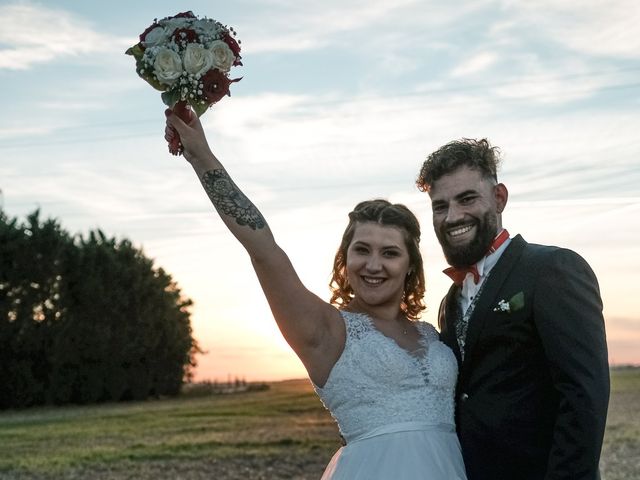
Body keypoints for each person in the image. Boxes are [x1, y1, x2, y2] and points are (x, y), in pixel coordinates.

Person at [164, 108, 467, 479]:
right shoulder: (325, 330)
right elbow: (264, 250)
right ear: (345, 259)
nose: (373, 265)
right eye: (362, 250)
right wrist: (201, 156)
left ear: (409, 265)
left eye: (389, 253)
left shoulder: (430, 333)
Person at [416, 138, 610, 480]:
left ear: (499, 197)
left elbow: (583, 397)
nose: (452, 216)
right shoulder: (449, 301)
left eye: (467, 199)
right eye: (440, 205)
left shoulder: (552, 269)